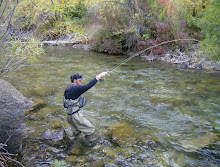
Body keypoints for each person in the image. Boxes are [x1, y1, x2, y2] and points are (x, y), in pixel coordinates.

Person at [63, 72, 108, 146]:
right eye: (80, 80)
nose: (81, 81)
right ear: (75, 80)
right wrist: (99, 76)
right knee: (91, 130)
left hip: (69, 116)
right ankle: (90, 146)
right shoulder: (75, 89)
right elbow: (87, 86)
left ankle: (76, 146)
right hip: (75, 116)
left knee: (76, 133)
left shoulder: (68, 87)